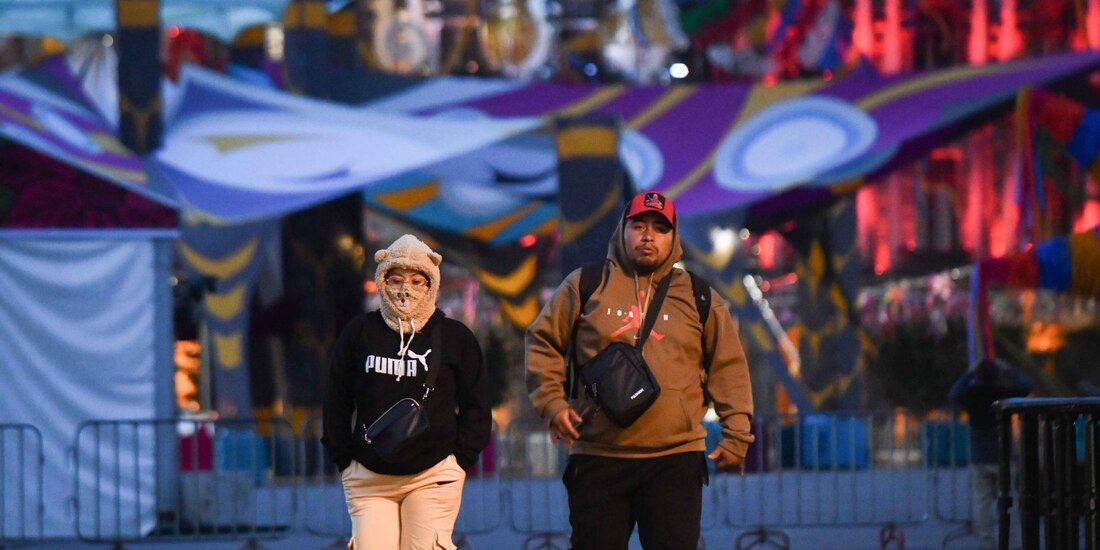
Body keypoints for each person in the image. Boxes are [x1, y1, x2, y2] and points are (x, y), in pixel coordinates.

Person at [525, 190, 755, 549]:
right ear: (622, 230)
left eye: (660, 228)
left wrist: (737, 433)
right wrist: (552, 403)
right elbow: (542, 342)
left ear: (673, 237)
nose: (648, 236)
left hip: (674, 461)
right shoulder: (586, 284)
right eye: (639, 225)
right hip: (598, 457)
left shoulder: (699, 296)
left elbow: (729, 366)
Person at [322, 234, 492, 550]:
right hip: (369, 478)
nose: (406, 288)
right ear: (381, 280)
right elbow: (336, 398)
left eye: (417, 280)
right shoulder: (359, 333)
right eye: (396, 278)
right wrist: (344, 459)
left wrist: (459, 460)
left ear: (432, 284)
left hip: (434, 474)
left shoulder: (455, 337)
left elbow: (477, 406)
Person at [948, 356, 1033, 550]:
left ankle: (986, 543)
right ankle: (1011, 543)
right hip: (1003, 455)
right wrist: (1009, 369)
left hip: (979, 457)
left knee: (982, 503)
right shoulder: (1003, 395)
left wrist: (968, 373)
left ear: (977, 375)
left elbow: (953, 394)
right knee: (1010, 502)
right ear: (997, 375)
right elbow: (1027, 387)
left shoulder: (971, 394)